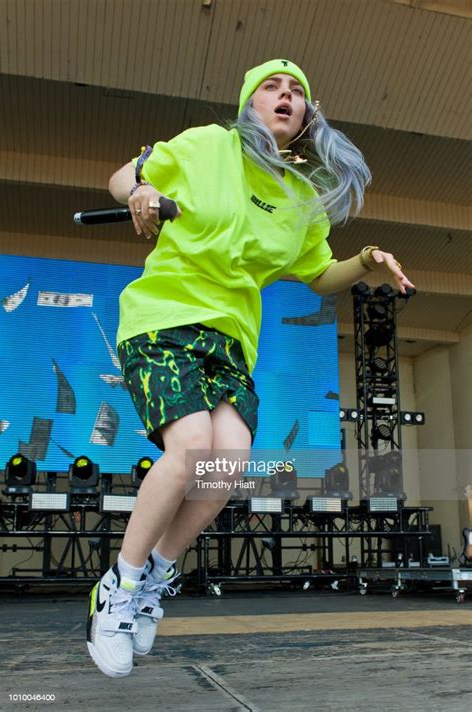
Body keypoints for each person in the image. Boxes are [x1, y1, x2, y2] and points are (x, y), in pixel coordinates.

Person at [86, 59, 415, 677]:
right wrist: (141, 192)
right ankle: (116, 590)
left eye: (297, 92)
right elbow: (119, 178)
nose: (286, 96)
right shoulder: (206, 145)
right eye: (273, 87)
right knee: (188, 448)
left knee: (224, 467)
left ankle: (156, 575)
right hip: (164, 318)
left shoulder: (303, 201)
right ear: (250, 104)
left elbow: (319, 274)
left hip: (232, 342)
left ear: (307, 116)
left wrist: (367, 260)